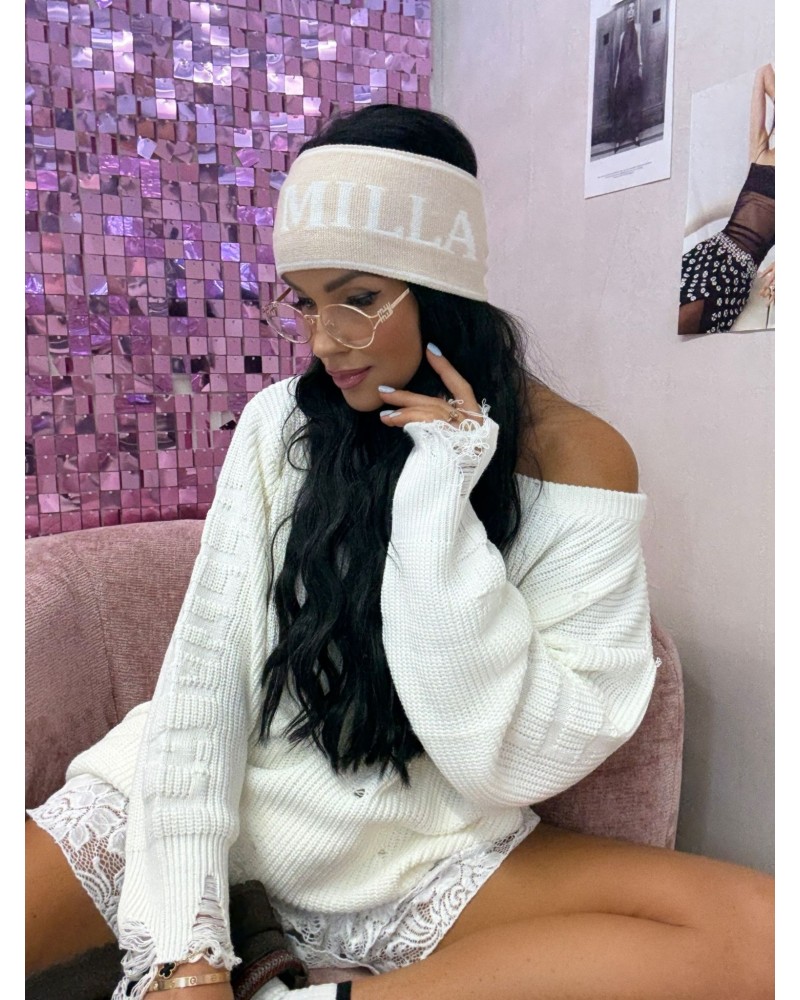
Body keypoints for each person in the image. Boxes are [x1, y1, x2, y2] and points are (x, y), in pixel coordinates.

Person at [26, 104, 773, 1000]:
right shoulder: (281, 425)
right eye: (305, 301)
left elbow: (510, 761)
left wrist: (436, 496)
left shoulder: (582, 460)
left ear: (443, 286)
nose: (323, 340)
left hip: (419, 849)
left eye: (358, 299)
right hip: (218, 797)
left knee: (763, 935)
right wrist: (187, 955)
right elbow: (204, 684)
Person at [678, 63, 775, 335]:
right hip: (710, 250)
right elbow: (763, 73)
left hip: (737, 271)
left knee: (686, 318)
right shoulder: (761, 150)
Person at [611, 1, 644, 153]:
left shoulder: (638, 28)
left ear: (635, 12)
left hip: (634, 70)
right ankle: (619, 138)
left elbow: (639, 48)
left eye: (633, 9)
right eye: (628, 10)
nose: (630, 11)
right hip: (623, 73)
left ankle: (635, 134)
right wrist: (617, 77)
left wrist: (640, 67)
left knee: (634, 102)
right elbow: (620, 57)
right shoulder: (622, 35)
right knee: (621, 104)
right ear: (626, 14)